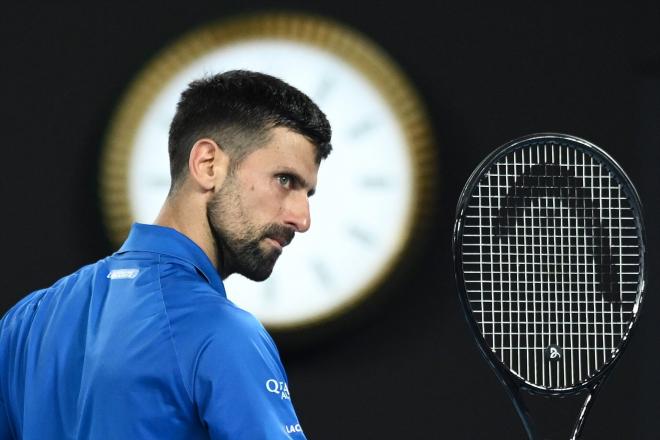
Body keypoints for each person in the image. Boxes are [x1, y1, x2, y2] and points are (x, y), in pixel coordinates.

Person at [0, 70, 332, 439]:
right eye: (285, 180)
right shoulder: (222, 334)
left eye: (308, 193)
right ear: (208, 164)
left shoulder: (25, 322)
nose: (302, 219)